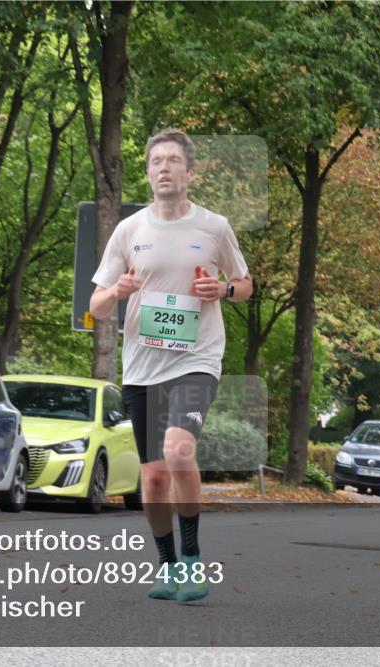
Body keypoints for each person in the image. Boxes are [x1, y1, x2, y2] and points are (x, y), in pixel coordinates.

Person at [89, 129, 252, 602]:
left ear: (189, 171)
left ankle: (195, 561)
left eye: (172, 160)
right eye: (155, 160)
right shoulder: (129, 230)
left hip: (197, 358)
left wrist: (221, 290)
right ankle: (168, 566)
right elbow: (95, 305)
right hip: (143, 366)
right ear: (147, 171)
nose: (163, 167)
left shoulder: (214, 227)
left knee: (180, 451)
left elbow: (245, 284)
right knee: (154, 477)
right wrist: (117, 292)